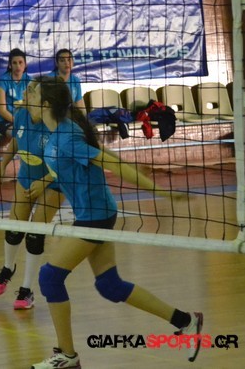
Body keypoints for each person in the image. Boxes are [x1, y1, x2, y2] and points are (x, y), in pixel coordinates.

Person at [27, 76, 203, 369]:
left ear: (45, 104)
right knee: (110, 285)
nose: (26, 100)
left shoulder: (67, 136)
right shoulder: (58, 132)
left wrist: (160, 191)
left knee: (50, 277)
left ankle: (68, 356)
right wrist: (46, 181)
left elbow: (112, 163)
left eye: (31, 95)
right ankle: (185, 321)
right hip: (93, 212)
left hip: (95, 215)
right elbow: (70, 162)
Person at [0, 76, 63, 310]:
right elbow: (15, 141)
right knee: (14, 229)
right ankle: (7, 267)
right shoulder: (21, 114)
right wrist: (3, 165)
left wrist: (45, 181)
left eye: (31, 91)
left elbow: (66, 162)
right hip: (26, 177)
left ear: (44, 101)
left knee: (35, 235)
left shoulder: (56, 123)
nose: (25, 93)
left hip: (55, 181)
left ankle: (26, 290)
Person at [0, 48, 30, 139]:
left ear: (25, 64)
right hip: (5, 121)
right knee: (19, 135)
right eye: (14, 63)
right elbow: (2, 111)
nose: (18, 66)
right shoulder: (3, 81)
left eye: (20, 62)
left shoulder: (30, 81)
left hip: (25, 121)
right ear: (10, 65)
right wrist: (18, 122)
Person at [51, 48, 86, 113]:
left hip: (70, 116)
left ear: (73, 62)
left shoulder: (75, 80)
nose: (66, 63)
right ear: (57, 63)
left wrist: (84, 118)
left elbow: (79, 104)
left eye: (69, 60)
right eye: (62, 60)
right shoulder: (49, 79)